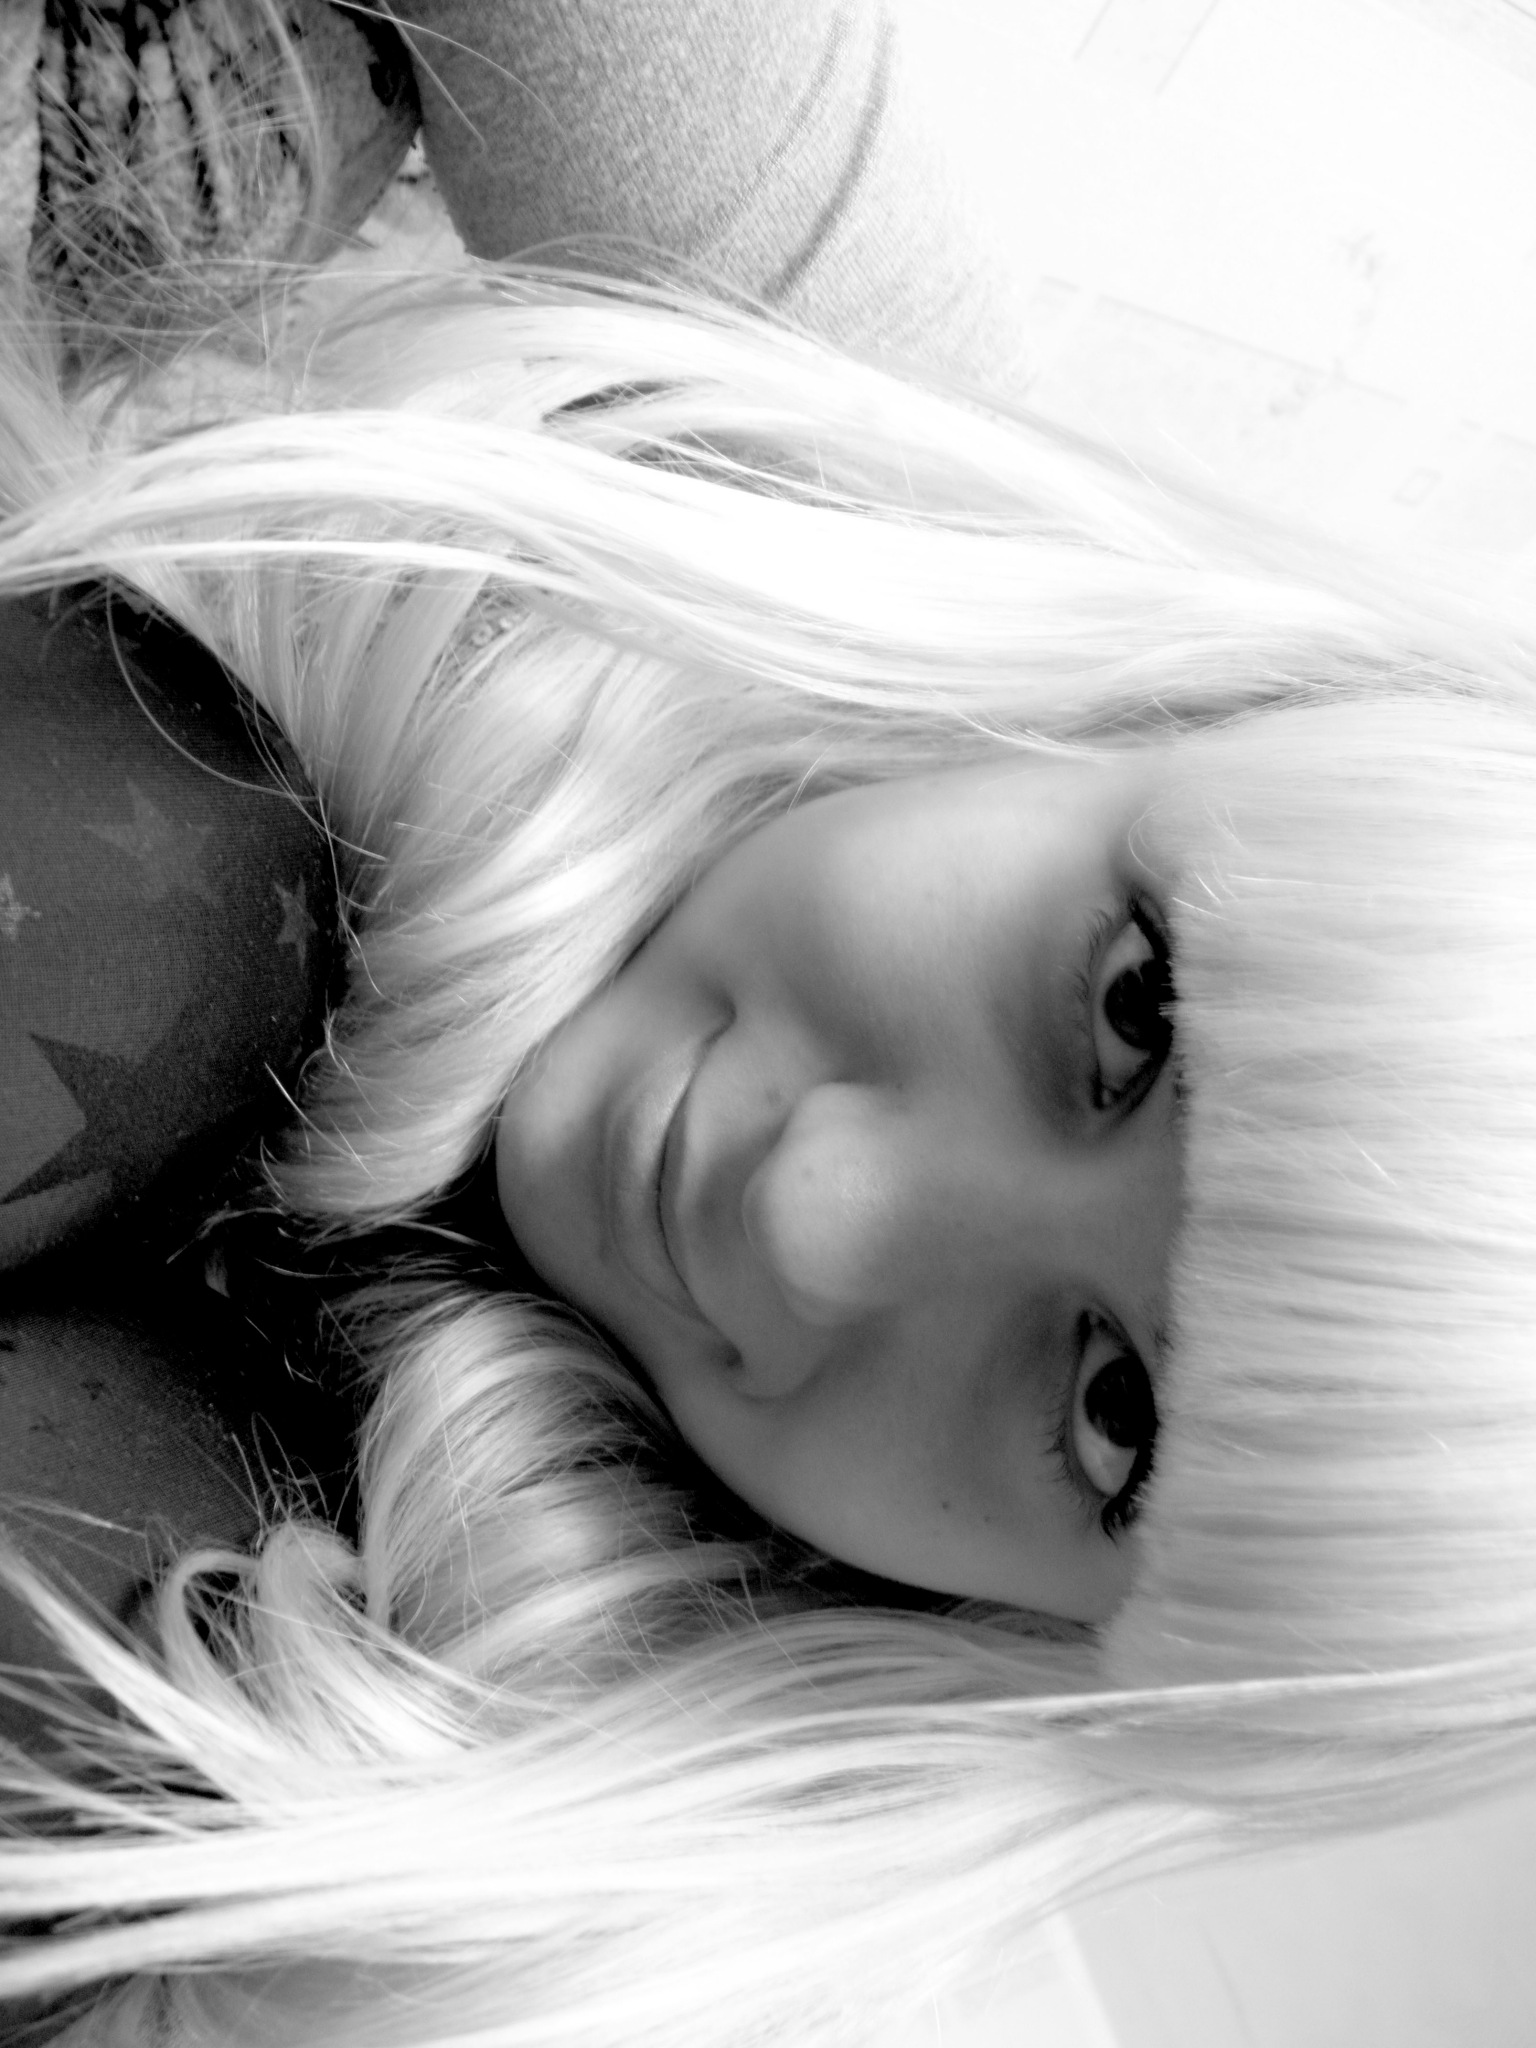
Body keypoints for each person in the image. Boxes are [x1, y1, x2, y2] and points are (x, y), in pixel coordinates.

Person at [3, 8, 1536, 2047]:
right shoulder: (865, 515)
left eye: (1112, 1414)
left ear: (1058, 1638)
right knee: (186, 857)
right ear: (1160, 710)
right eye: (1129, 1005)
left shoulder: (555, 1878)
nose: (817, 1208)